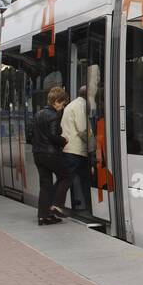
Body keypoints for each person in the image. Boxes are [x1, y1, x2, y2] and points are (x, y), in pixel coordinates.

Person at [33, 86, 71, 226]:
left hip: (38, 154)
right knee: (66, 176)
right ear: (55, 101)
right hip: (50, 154)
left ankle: (43, 216)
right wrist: (64, 140)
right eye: (62, 103)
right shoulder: (54, 116)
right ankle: (56, 205)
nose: (62, 106)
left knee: (45, 184)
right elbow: (53, 136)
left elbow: (34, 135)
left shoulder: (38, 114)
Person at [61, 84, 92, 214]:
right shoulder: (81, 105)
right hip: (76, 150)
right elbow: (83, 129)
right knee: (77, 179)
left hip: (71, 149)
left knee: (71, 179)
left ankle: (82, 206)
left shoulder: (74, 104)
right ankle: (56, 205)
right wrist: (93, 146)